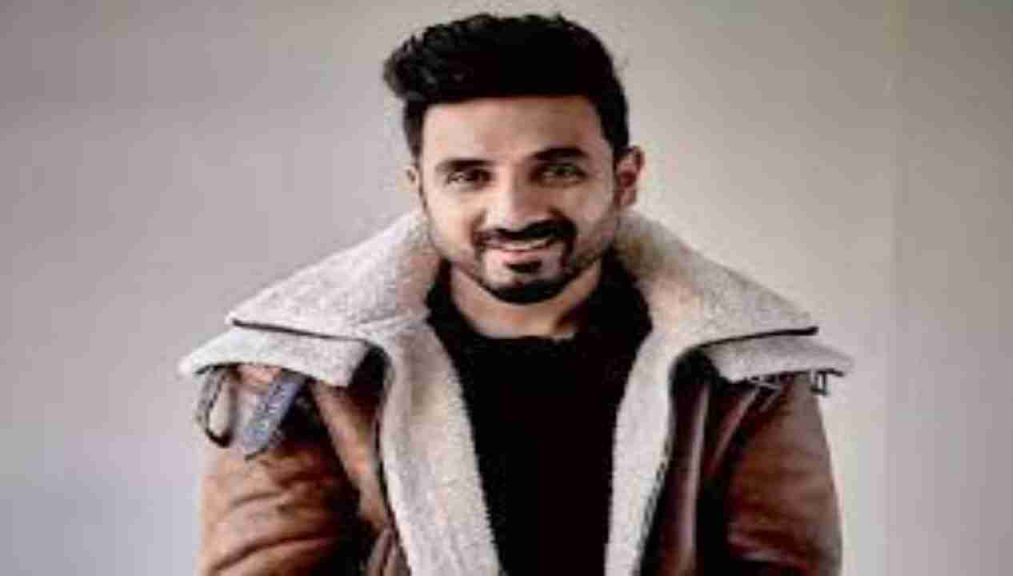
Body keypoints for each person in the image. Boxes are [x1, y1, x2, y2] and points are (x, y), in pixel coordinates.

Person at [180, 12, 851, 575]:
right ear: (421, 190)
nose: (515, 212)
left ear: (626, 179)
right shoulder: (305, 367)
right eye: (469, 176)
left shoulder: (739, 366)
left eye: (556, 170)